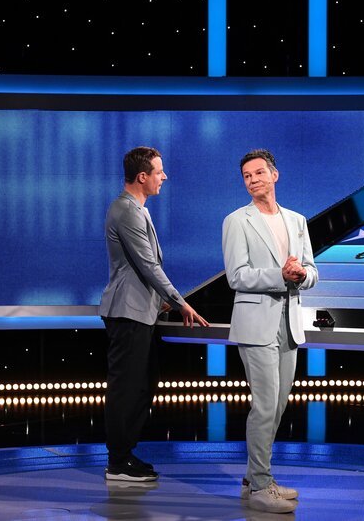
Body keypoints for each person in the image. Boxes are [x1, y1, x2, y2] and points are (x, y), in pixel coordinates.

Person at [99, 146, 209, 482]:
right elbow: (147, 266)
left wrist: (159, 302)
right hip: (127, 313)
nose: (164, 177)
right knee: (127, 388)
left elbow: (140, 268)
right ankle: (117, 462)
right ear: (142, 176)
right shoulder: (127, 210)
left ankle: (124, 455)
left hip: (139, 311)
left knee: (143, 385)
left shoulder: (136, 209)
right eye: (159, 172)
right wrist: (179, 301)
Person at [221, 149, 318, 514]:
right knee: (264, 406)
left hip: (289, 322)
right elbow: (237, 276)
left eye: (259, 172)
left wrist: (301, 275)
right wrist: (280, 276)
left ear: (274, 175)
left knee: (277, 406)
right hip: (254, 323)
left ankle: (253, 478)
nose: (253, 179)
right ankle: (262, 484)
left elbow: (311, 270)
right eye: (247, 175)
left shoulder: (296, 220)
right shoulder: (237, 221)